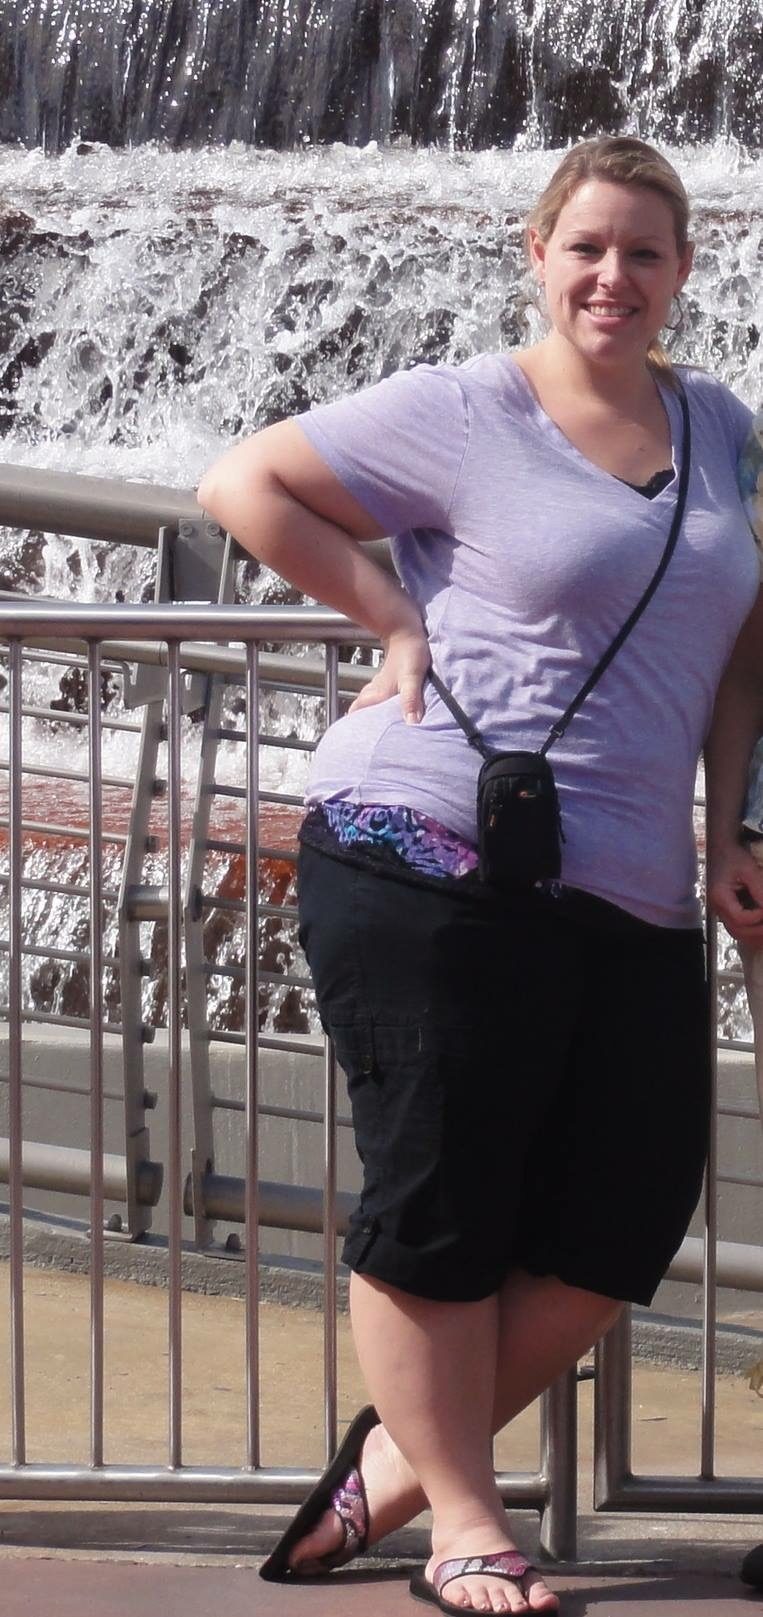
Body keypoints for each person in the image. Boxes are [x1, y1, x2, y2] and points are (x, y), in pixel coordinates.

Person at [197, 135, 763, 1616]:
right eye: (588, 247)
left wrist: (728, 830)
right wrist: (391, 615)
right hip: (427, 846)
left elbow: (741, 652)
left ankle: (389, 1464)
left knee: (625, 1214)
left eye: (644, 253)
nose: (613, 277)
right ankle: (461, 1521)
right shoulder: (466, 409)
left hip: (630, 883)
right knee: (443, 1196)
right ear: (538, 254)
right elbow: (246, 482)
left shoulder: (721, 429)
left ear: (682, 271)